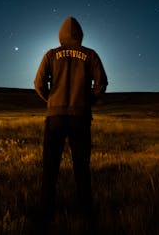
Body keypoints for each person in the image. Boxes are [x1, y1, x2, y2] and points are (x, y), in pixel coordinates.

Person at [34, 16, 108, 222]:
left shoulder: (51, 55)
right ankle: (86, 214)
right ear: (80, 35)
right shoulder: (90, 54)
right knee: (81, 167)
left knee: (50, 167)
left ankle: (44, 213)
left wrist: (51, 100)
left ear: (61, 35)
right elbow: (101, 83)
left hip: (55, 118)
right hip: (80, 117)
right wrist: (86, 101)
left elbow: (38, 83)